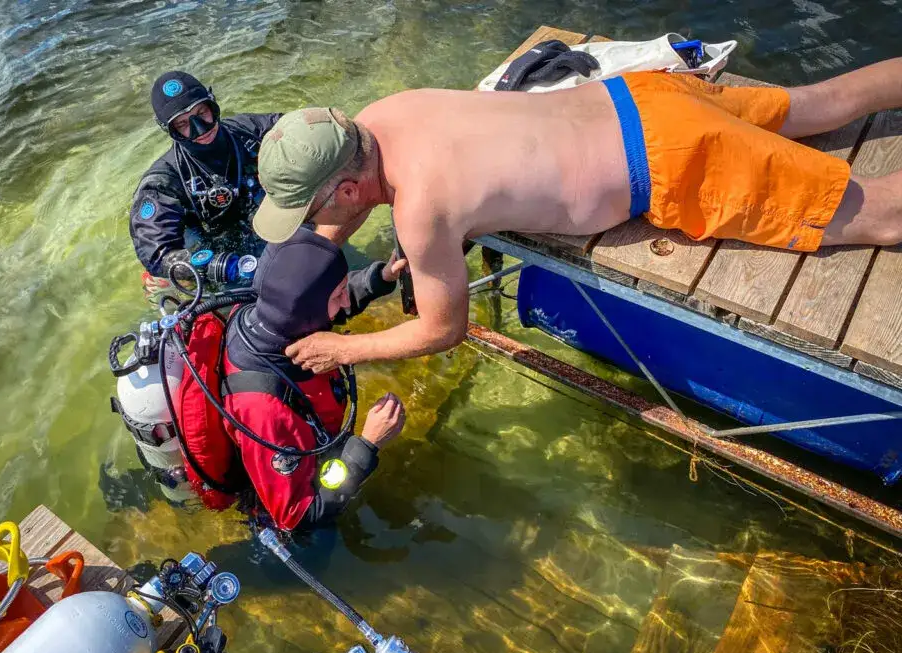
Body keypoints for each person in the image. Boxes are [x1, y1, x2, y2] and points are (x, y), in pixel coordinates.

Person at [248, 58, 902, 372]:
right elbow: (470, 171)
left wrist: (344, 347)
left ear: (348, 190)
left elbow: (441, 331)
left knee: (879, 215)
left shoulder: (420, 208)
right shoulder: (383, 114)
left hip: (673, 157)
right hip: (643, 95)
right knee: (817, 103)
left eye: (312, 214)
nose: (317, 230)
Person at [181, 226, 409, 531]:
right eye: (339, 294)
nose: (344, 302)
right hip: (287, 503)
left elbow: (324, 305)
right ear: (307, 310)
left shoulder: (258, 312)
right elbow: (299, 516)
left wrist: (379, 279)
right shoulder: (264, 412)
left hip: (303, 443)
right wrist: (367, 445)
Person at [129, 71, 280, 296]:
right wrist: (215, 267)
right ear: (169, 130)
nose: (200, 129)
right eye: (182, 124)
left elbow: (309, 131)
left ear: (213, 105)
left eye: (202, 113)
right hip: (213, 254)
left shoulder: (250, 132)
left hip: (265, 225)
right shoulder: (164, 182)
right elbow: (157, 253)